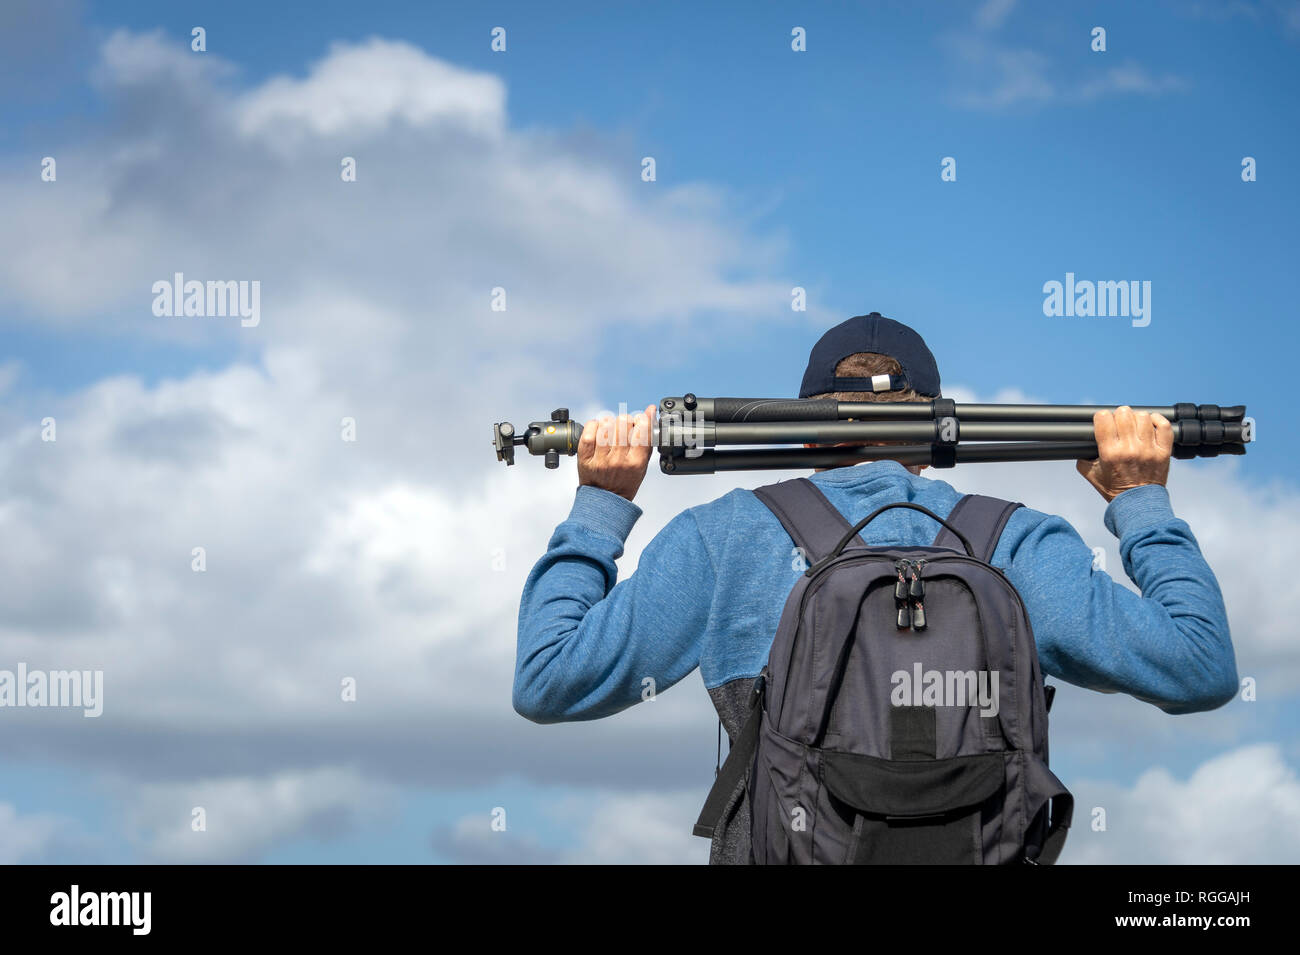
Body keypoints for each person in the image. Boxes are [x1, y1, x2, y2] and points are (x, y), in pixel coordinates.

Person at [512, 312, 1238, 863]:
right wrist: (1139, 499)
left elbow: (548, 680)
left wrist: (601, 504)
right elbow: (1199, 668)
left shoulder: (724, 536)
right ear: (941, 432)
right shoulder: (1017, 542)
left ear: (802, 428)